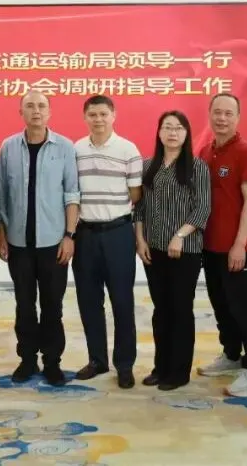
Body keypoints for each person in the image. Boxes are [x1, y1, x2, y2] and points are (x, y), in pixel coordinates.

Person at [0, 90, 80, 387]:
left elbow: (72, 194)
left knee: (52, 306)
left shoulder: (65, 147)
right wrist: (2, 235)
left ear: (50, 112)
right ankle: (28, 360)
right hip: (18, 243)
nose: (36, 111)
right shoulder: (8, 147)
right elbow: (1, 196)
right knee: (24, 304)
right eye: (30, 106)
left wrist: (69, 235)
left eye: (41, 106)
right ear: (20, 112)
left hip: (53, 244)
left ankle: (52, 362)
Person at [196, 93, 247, 397]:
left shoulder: (246, 152)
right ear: (210, 115)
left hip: (239, 248)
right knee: (222, 306)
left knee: (246, 310)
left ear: (238, 117)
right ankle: (231, 355)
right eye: (217, 112)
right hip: (210, 247)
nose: (222, 118)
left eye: (228, 113)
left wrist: (240, 244)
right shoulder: (205, 151)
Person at [134, 111, 211, 391]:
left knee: (180, 309)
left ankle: (178, 372)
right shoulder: (148, 166)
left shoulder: (197, 167)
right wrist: (140, 240)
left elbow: (203, 208)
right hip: (153, 249)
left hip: (185, 250)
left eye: (178, 128)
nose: (173, 133)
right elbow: (140, 207)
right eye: (167, 127)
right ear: (159, 132)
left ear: (187, 133)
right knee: (161, 310)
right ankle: (161, 367)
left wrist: (179, 236)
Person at [73, 95, 142, 390]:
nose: (98, 119)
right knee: (89, 301)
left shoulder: (128, 150)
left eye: (103, 114)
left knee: (122, 301)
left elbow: (136, 195)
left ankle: (124, 365)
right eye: (93, 114)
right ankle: (97, 359)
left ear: (113, 116)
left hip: (118, 233)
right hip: (85, 234)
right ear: (85, 118)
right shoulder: (75, 150)